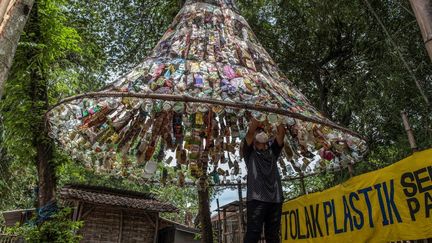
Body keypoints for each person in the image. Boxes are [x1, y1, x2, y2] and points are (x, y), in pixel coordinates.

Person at [242, 117, 285, 243]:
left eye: (262, 130)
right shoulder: (249, 153)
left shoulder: (273, 152)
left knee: (273, 235)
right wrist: (258, 115)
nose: (260, 132)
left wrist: (277, 117)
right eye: (258, 130)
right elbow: (250, 133)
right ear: (254, 138)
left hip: (275, 198)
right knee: (253, 233)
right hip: (256, 199)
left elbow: (281, 134)